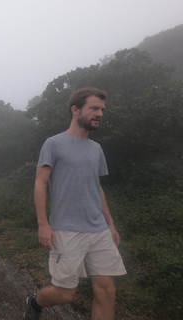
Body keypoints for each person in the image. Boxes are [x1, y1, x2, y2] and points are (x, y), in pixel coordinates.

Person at [25, 87, 127, 320]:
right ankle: (34, 302)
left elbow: (96, 187)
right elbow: (40, 184)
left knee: (107, 291)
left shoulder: (96, 149)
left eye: (102, 109)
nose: (99, 113)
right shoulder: (54, 143)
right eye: (94, 108)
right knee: (64, 294)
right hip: (67, 229)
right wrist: (43, 224)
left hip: (99, 230)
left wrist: (110, 224)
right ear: (75, 109)